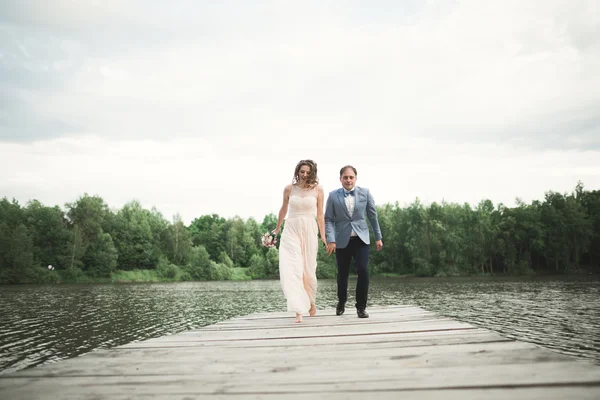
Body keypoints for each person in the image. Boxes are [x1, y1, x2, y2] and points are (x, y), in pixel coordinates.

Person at [325, 165, 383, 318]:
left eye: (351, 177)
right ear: (340, 179)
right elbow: (329, 219)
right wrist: (331, 240)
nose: (348, 180)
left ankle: (361, 307)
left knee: (363, 271)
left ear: (356, 178)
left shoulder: (365, 193)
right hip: (341, 240)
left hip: (361, 239)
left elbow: (372, 216)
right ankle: (341, 301)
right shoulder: (332, 196)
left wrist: (378, 237)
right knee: (342, 273)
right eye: (345, 177)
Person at [273, 160, 328, 323]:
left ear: (312, 173)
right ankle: (298, 310)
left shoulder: (318, 190)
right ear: (297, 171)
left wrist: (323, 236)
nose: (304, 175)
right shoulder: (289, 189)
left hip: (309, 229)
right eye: (302, 171)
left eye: (307, 172)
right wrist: (276, 230)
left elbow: (320, 214)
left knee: (308, 269)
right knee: (293, 267)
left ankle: (310, 301)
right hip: (291, 228)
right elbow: (283, 209)